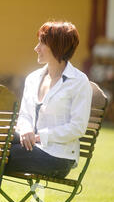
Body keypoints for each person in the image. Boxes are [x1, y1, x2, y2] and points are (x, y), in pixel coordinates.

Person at [5, 21, 92, 178]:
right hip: (30, 146)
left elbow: (77, 127)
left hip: (58, 156)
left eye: (42, 43)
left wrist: (40, 136)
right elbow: (24, 115)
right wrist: (25, 129)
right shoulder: (32, 78)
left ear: (58, 47)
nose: (36, 48)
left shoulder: (79, 82)